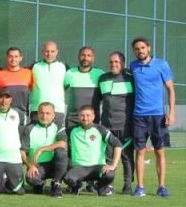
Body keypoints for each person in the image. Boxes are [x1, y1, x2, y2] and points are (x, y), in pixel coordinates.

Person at [129, 37, 176, 198]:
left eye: (142, 47)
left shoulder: (161, 64)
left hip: (158, 116)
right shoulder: (133, 66)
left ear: (148, 48)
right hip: (138, 116)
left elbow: (170, 89)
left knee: (159, 152)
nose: (140, 51)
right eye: (137, 49)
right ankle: (140, 187)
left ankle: (161, 187)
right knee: (140, 152)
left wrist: (171, 112)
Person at [61, 105, 122, 197]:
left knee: (109, 174)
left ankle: (101, 187)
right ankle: (77, 186)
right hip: (79, 167)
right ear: (78, 116)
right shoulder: (72, 130)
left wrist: (113, 165)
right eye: (82, 115)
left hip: (97, 167)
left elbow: (118, 144)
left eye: (88, 115)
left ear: (93, 116)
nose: (85, 118)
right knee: (67, 178)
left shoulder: (100, 129)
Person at [96, 51, 135, 195]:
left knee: (126, 157)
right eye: (111, 62)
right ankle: (109, 185)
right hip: (107, 126)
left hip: (125, 126)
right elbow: (98, 100)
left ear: (122, 63)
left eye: (117, 62)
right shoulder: (102, 78)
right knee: (108, 156)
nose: (113, 64)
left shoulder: (130, 78)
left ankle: (128, 185)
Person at [20, 102, 68, 197]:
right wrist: (30, 165)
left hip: (54, 164)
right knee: (31, 179)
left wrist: (41, 149)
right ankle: (39, 183)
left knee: (61, 152)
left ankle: (56, 183)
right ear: (37, 114)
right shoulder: (29, 129)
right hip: (38, 165)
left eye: (48, 113)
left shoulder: (58, 126)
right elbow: (22, 152)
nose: (44, 116)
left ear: (53, 115)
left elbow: (63, 143)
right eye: (41, 113)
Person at [63, 46, 103, 129]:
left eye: (89, 55)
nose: (85, 58)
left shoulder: (100, 74)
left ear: (93, 58)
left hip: (92, 120)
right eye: (83, 55)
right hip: (72, 120)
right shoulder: (69, 73)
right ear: (78, 57)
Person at [29, 40, 67, 127]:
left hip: (57, 111)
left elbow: (66, 85)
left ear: (57, 52)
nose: (49, 54)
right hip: (37, 110)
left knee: (56, 135)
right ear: (42, 51)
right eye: (47, 51)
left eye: (52, 51)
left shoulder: (63, 66)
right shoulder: (34, 66)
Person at [0, 46, 34, 120]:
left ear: (20, 58)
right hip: (4, 115)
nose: (13, 59)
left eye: (16, 56)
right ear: (7, 58)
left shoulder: (28, 73)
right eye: (10, 56)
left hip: (23, 115)